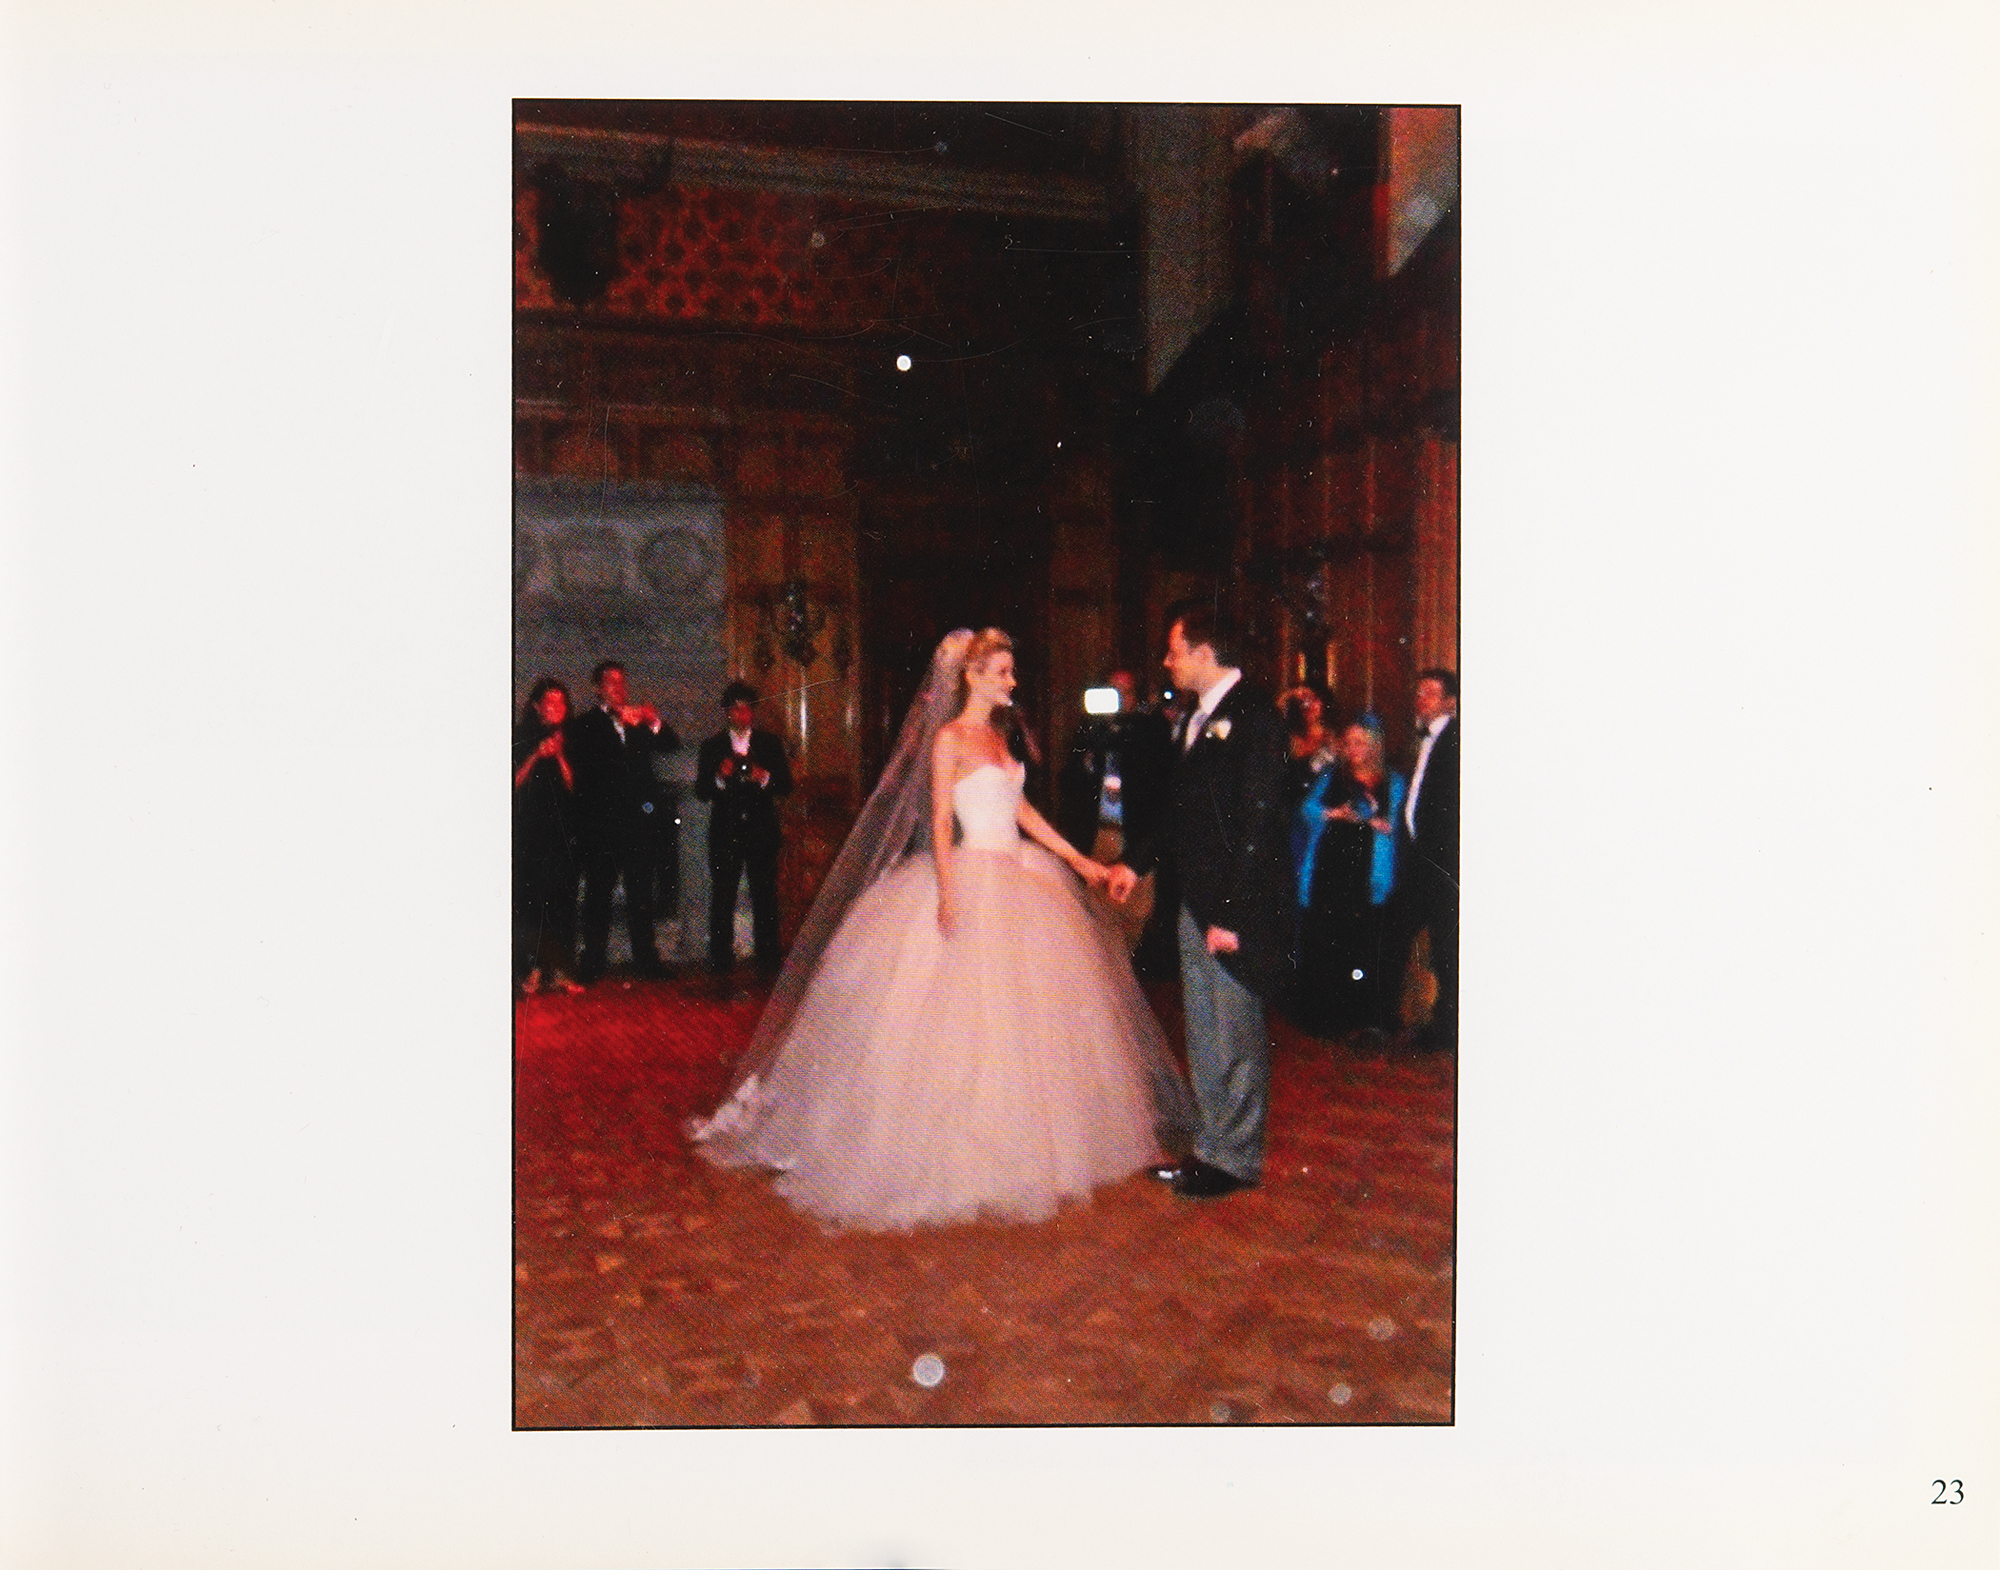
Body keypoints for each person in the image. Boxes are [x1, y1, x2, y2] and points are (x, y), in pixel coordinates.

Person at [690, 628, 1193, 1232]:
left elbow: (1022, 810)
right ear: (973, 676)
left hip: (1020, 876)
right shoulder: (949, 737)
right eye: (1002, 671)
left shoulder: (1000, 735)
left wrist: (1081, 862)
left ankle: (1029, 1150)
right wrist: (950, 894)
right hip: (969, 875)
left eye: (1011, 670)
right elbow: (936, 821)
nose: (1012, 681)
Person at [1107, 599, 1292, 1199]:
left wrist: (1232, 915)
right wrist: (1135, 863)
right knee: (1207, 1031)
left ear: (1205, 653)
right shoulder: (1199, 717)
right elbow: (1180, 811)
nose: (1167, 662)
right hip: (1198, 900)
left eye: (1175, 651)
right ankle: (1213, 1148)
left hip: (1234, 906)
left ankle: (1234, 1159)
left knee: (1234, 1034)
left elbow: (1260, 825)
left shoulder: (1255, 716)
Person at [566, 660, 681, 983]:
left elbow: (671, 744)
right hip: (602, 825)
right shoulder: (585, 724)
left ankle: (646, 959)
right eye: (611, 682)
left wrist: (651, 720)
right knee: (598, 894)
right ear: (597, 688)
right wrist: (619, 724)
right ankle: (593, 962)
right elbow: (587, 769)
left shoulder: (639, 721)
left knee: (641, 893)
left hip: (638, 824)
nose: (618, 688)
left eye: (622, 682)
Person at [1293, 719, 1406, 1039]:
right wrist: (1333, 813)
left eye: (1360, 742)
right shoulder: (1333, 775)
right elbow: (1307, 809)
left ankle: (1359, 1017)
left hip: (1368, 869)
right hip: (1331, 868)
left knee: (1361, 942)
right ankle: (1325, 1017)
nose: (1353, 749)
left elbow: (1401, 822)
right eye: (1349, 742)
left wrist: (1382, 824)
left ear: (1375, 745)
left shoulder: (1393, 781)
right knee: (1326, 940)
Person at [694, 681, 793, 976]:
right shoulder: (712, 746)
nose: (742, 715)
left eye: (748, 709)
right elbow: (701, 791)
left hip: (761, 830)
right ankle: (720, 958)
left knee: (765, 895)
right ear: (727, 712)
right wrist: (720, 777)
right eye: (736, 709)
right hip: (726, 831)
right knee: (723, 895)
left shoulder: (769, 743)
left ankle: (768, 957)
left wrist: (764, 777)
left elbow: (786, 785)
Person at [1392, 669, 1459, 1051]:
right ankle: (1391, 1017)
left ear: (1450, 702)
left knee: (1447, 948)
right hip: (1419, 861)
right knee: (1397, 931)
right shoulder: (1422, 739)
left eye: (1431, 693)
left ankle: (1446, 1030)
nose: (1421, 699)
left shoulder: (1456, 740)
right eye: (1418, 692)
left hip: (1442, 864)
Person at [512, 679, 584, 996]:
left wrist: (558, 756)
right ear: (537, 706)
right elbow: (514, 782)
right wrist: (535, 756)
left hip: (562, 831)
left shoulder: (573, 738)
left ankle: (560, 971)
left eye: (561, 702)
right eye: (549, 702)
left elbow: (575, 787)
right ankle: (531, 971)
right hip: (530, 831)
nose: (555, 708)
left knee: (562, 901)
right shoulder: (521, 735)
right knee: (532, 902)